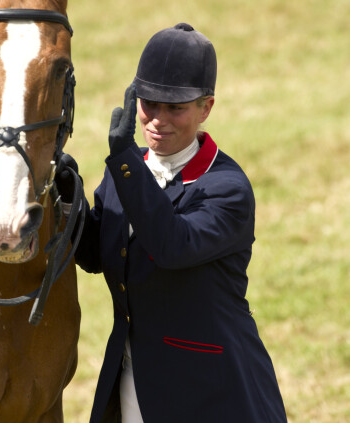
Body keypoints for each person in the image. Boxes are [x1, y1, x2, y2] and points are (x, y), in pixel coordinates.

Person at [57, 23, 287, 422]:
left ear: (206, 107)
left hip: (211, 390)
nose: (157, 120)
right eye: (149, 103)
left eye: (175, 108)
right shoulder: (122, 176)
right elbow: (98, 252)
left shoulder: (228, 190)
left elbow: (171, 245)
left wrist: (126, 160)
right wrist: (64, 194)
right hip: (133, 379)